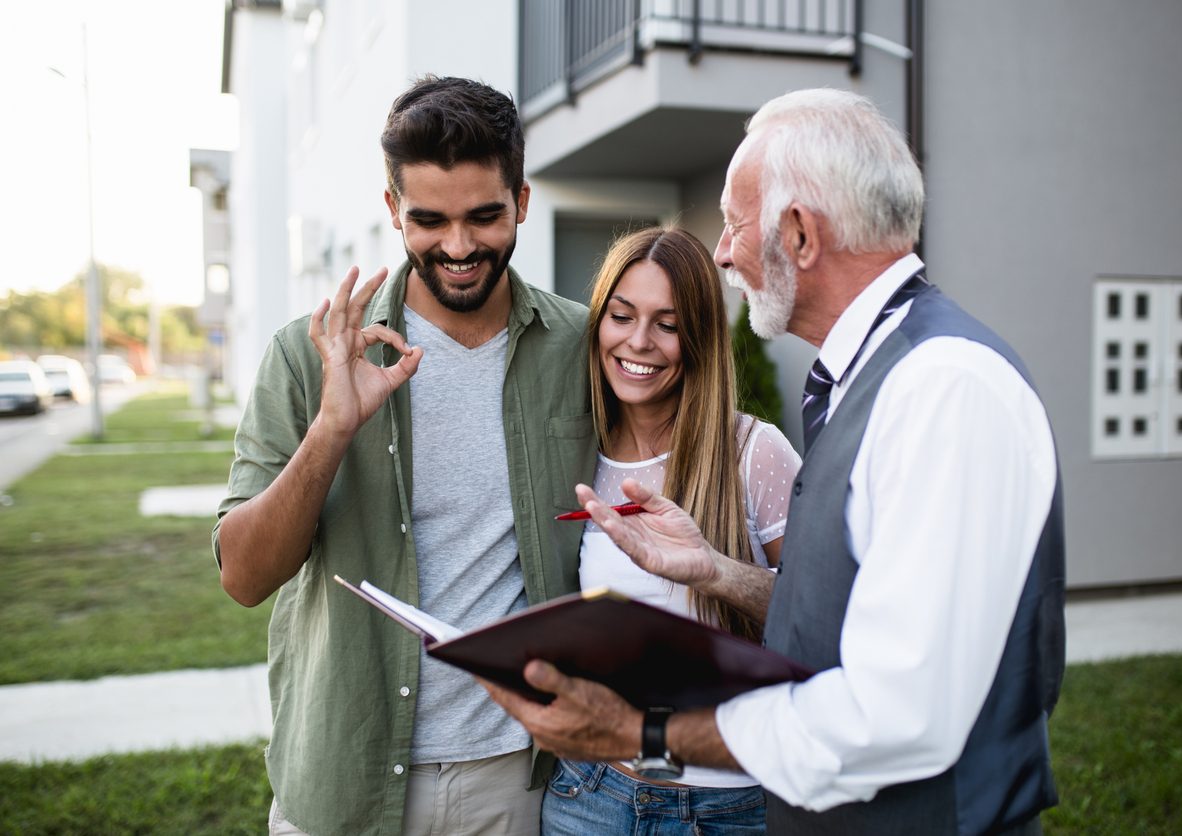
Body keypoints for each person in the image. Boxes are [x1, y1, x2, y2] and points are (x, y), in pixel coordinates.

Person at [484, 88, 1066, 836]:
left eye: (733, 223)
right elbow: (846, 624)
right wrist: (713, 569)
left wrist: (645, 733)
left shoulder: (941, 386)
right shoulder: (878, 379)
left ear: (797, 233)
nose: (722, 252)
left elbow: (892, 716)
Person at [212, 75, 596, 836]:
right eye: (429, 220)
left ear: (522, 199)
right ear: (393, 210)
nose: (458, 247)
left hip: (516, 779)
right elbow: (244, 578)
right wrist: (331, 429)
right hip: (344, 776)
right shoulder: (304, 355)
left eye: (484, 216)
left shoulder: (580, 348)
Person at [542, 226, 801, 834]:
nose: (639, 341)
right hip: (591, 794)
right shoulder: (578, 456)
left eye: (667, 323)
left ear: (699, 338)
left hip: (727, 806)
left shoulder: (753, 454)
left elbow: (824, 622)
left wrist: (718, 572)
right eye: (622, 315)